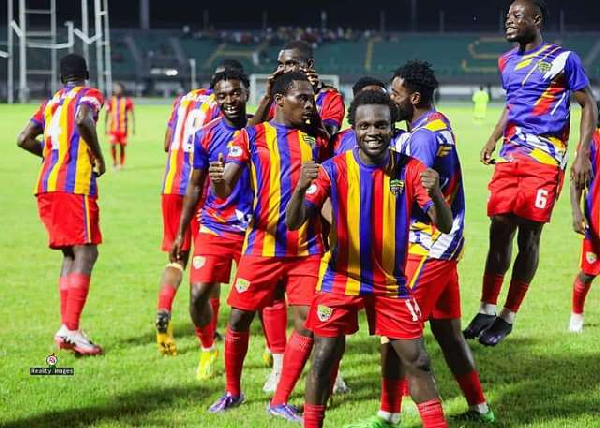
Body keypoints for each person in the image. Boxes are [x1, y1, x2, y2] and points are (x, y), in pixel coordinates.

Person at [286, 89, 452, 428]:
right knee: (323, 359)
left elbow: (444, 224)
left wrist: (435, 192)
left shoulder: (410, 169)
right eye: (364, 126)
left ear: (393, 128)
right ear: (353, 128)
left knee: (418, 361)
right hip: (340, 280)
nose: (373, 132)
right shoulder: (333, 170)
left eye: (381, 125)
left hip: (391, 282)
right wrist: (301, 188)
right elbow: (293, 221)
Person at [346, 61, 494, 428]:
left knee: (394, 332)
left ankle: (388, 414)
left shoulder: (424, 137)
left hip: (429, 247)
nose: (389, 98)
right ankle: (479, 407)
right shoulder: (436, 123)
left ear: (413, 97)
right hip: (444, 244)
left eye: (394, 93)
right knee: (447, 331)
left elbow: (416, 190)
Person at [463, 0, 598, 346]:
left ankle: (508, 315)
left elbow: (588, 104)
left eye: (517, 16)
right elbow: (513, 104)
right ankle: (487, 307)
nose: (509, 20)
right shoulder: (506, 62)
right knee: (499, 230)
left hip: (545, 160)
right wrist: (493, 138)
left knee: (528, 238)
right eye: (507, 16)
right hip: (510, 157)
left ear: (536, 20)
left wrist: (582, 155)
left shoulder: (564, 60)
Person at [207, 72, 328, 422]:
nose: (309, 105)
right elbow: (225, 188)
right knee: (240, 317)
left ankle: (281, 398)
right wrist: (217, 184)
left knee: (307, 322)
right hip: (263, 245)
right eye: (302, 99)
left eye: (311, 98)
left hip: (307, 249)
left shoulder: (316, 141)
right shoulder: (250, 136)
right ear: (279, 102)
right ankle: (232, 390)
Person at [253, 40, 347, 392]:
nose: (281, 69)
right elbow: (252, 132)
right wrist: (269, 97)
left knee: (323, 290)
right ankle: (279, 364)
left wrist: (308, 105)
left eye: (287, 63)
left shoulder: (330, 97)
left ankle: (331, 369)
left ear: (306, 63)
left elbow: (328, 136)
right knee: (274, 290)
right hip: (274, 199)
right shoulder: (278, 95)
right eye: (278, 63)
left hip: (318, 201)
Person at [17, 53, 106, 355]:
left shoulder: (51, 103)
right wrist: (98, 157)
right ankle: (70, 328)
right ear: (87, 74)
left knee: (70, 253)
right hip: (74, 184)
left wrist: (50, 154)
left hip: (46, 185)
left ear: (60, 78)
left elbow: (23, 138)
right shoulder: (91, 95)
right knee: (86, 250)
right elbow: (83, 118)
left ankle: (69, 328)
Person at [170, 69, 253, 380]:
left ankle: (276, 352)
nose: (229, 100)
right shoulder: (205, 135)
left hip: (254, 228)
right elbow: (194, 185)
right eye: (222, 95)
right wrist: (181, 232)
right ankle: (207, 349)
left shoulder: (263, 130)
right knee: (197, 294)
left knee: (263, 297)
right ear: (214, 99)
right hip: (215, 225)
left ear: (246, 92)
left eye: (235, 93)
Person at [155, 64, 228, 356]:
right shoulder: (221, 104)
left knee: (177, 257)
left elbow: (165, 144)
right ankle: (209, 333)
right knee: (210, 261)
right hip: (201, 189)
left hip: (171, 185)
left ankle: (163, 310)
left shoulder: (183, 99)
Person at [568, 104, 600, 333]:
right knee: (588, 273)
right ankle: (576, 316)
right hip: (597, 223)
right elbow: (577, 178)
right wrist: (576, 211)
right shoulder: (591, 144)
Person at [332, 76, 387, 156]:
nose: (378, 102)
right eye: (370, 98)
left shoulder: (403, 139)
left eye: (383, 97)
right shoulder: (337, 141)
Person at [105, 82, 134, 169]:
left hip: (123, 129)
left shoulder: (127, 101)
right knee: (113, 145)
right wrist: (105, 127)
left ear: (122, 90)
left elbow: (132, 114)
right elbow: (107, 114)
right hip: (113, 128)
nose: (117, 90)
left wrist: (133, 127)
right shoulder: (110, 100)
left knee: (122, 147)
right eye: (116, 88)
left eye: (118, 89)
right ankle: (114, 162)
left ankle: (121, 164)